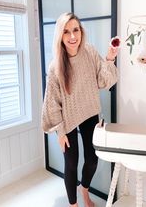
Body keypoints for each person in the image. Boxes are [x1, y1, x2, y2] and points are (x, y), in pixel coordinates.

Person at [42, 12, 118, 207]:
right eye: (66, 32)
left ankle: (84, 190)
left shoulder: (90, 52)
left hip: (90, 111)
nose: (72, 36)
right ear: (60, 35)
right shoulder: (55, 67)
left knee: (92, 159)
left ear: (81, 31)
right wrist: (60, 132)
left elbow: (103, 80)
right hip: (67, 119)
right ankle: (73, 204)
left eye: (75, 30)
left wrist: (110, 57)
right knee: (71, 163)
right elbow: (52, 102)